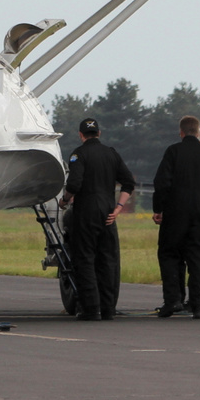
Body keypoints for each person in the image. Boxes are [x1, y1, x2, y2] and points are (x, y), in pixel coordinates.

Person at [58, 117, 136, 320]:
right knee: (108, 261)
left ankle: (91, 309)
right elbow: (128, 182)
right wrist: (119, 207)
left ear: (81, 135)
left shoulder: (79, 154)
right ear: (99, 133)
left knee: (85, 260)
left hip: (86, 212)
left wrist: (65, 200)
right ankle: (108, 309)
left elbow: (74, 184)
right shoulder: (112, 154)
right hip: (109, 212)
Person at [151, 115, 200, 319]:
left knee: (170, 255)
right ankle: (197, 304)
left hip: (175, 214)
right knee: (199, 258)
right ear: (198, 131)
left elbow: (162, 183)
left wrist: (158, 209)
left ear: (181, 132)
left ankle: (173, 301)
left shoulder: (173, 152)